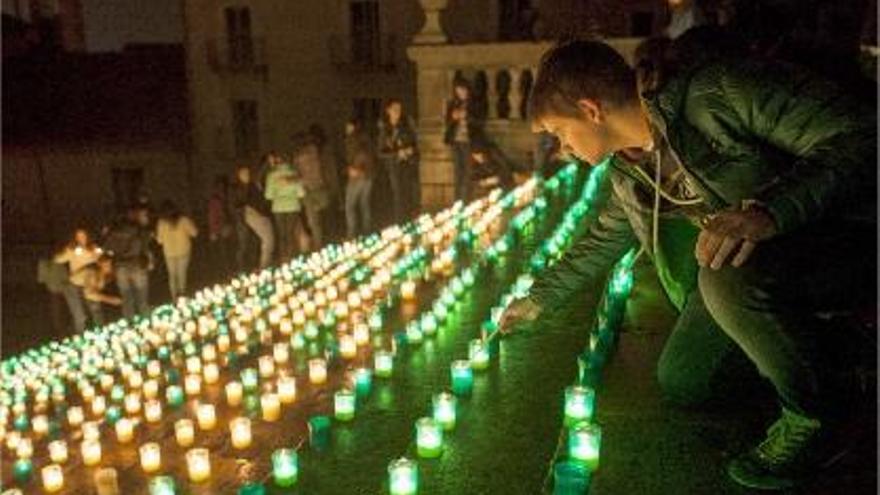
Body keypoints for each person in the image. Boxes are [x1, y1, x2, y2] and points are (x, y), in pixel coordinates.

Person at [499, 40, 876, 491]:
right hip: (750, 272)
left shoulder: (718, 93)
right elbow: (603, 239)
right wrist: (538, 299)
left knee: (720, 276)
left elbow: (863, 135)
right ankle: (834, 357)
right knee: (685, 379)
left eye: (561, 132)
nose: (563, 148)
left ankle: (823, 416)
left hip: (838, 239)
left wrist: (769, 211)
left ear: (590, 110)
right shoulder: (629, 170)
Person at [103, 205, 153, 320]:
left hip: (121, 267)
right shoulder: (138, 230)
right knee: (142, 296)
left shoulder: (113, 233)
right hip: (137, 264)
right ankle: (145, 320)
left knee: (126, 297)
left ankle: (129, 322)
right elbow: (146, 242)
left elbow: (106, 248)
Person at [378, 99, 420, 222]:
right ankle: (400, 221)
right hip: (394, 166)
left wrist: (410, 150)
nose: (398, 112)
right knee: (398, 195)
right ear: (388, 111)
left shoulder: (406, 125)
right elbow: (381, 151)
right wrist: (396, 153)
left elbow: (415, 143)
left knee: (409, 193)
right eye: (395, 109)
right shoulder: (385, 130)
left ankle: (411, 218)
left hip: (407, 163)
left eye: (399, 109)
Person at [53, 228, 103, 332]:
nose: (81, 238)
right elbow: (57, 260)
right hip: (74, 285)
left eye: (83, 235)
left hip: (90, 284)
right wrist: (66, 251)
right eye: (78, 236)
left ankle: (101, 334)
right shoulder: (72, 250)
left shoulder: (95, 248)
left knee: (95, 310)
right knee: (79, 316)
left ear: (88, 236)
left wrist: (96, 255)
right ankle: (81, 338)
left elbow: (103, 261)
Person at [444, 79, 485, 203]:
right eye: (458, 90)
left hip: (469, 142)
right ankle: (457, 202)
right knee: (458, 172)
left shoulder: (475, 104)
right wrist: (453, 118)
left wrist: (467, 116)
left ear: (467, 90)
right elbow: (447, 122)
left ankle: (466, 201)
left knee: (468, 173)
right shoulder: (453, 104)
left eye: (463, 90)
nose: (460, 92)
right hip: (456, 141)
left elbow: (480, 122)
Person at [264, 151, 306, 262]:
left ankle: (284, 258)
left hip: (278, 207)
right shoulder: (294, 174)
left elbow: (268, 196)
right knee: (290, 233)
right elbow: (301, 193)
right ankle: (292, 257)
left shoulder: (271, 176)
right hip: (293, 206)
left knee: (282, 234)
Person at [292, 132, 331, 251]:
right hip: (317, 187)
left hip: (310, 189)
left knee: (314, 220)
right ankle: (321, 243)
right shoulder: (314, 152)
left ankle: (318, 244)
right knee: (319, 218)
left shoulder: (299, 156)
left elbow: (298, 174)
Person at [232, 165, 275, 270]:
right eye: (244, 174)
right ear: (238, 175)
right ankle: (242, 268)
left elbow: (260, 199)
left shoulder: (253, 186)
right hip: (246, 217)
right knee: (244, 244)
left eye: (248, 173)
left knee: (258, 241)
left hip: (258, 215)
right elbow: (237, 203)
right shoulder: (237, 188)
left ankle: (259, 265)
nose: (247, 176)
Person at [155, 200, 199, 300]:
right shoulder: (183, 220)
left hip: (169, 252)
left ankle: (174, 298)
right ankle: (182, 295)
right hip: (183, 251)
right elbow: (194, 233)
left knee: (172, 276)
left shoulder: (161, 223)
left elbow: (159, 241)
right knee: (182, 274)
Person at [343, 119, 375, 238]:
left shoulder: (352, 140)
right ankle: (367, 231)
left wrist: (353, 169)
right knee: (364, 203)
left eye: (347, 126)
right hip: (369, 176)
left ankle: (351, 234)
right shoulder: (366, 140)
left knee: (349, 205)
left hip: (357, 175)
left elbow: (353, 157)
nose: (346, 129)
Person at [80, 255, 122, 325]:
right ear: (99, 265)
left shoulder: (109, 273)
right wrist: (110, 300)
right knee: (96, 312)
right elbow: (89, 294)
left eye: (110, 265)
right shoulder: (92, 274)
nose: (109, 268)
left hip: (99, 294)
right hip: (89, 296)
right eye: (105, 266)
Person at [206, 175, 234, 279]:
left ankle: (227, 272)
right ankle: (225, 273)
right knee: (223, 253)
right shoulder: (216, 200)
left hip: (225, 228)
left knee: (227, 252)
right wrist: (214, 231)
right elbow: (212, 217)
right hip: (221, 229)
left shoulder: (224, 198)